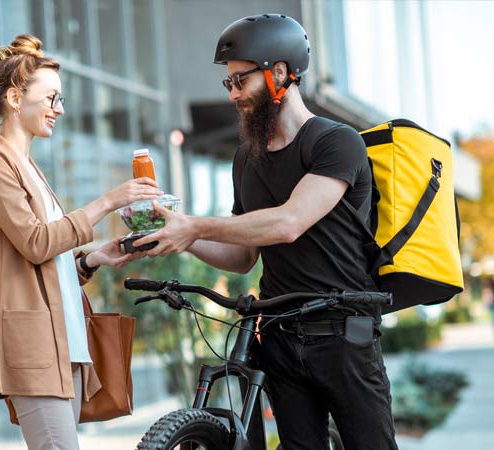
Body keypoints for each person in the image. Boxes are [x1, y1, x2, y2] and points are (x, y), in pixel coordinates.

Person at [134, 14, 397, 450]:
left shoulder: (335, 142)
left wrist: (196, 225)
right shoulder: (246, 158)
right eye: (229, 83)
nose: (233, 94)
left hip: (343, 334)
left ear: (280, 72)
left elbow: (290, 222)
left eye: (241, 80)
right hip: (279, 335)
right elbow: (243, 256)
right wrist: (183, 236)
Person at [0, 34, 160, 449]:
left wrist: (91, 260)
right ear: (15, 99)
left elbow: (44, 264)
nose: (60, 109)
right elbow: (36, 243)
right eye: (51, 98)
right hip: (34, 350)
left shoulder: (29, 167)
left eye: (61, 99)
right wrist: (108, 201)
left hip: (64, 344)